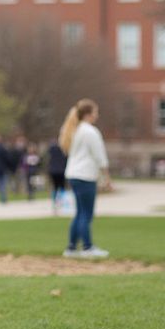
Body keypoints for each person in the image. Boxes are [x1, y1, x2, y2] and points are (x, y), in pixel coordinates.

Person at [58, 99, 110, 258]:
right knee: (86, 213)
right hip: (85, 176)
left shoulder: (76, 130)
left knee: (80, 212)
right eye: (95, 112)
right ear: (88, 114)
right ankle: (87, 247)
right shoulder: (90, 131)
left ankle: (72, 247)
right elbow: (99, 156)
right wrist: (106, 177)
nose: (97, 115)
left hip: (74, 174)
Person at [46, 140, 68, 214]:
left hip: (53, 171)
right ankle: (61, 202)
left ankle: (55, 202)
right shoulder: (63, 150)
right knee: (62, 187)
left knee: (55, 187)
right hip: (61, 171)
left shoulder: (52, 150)